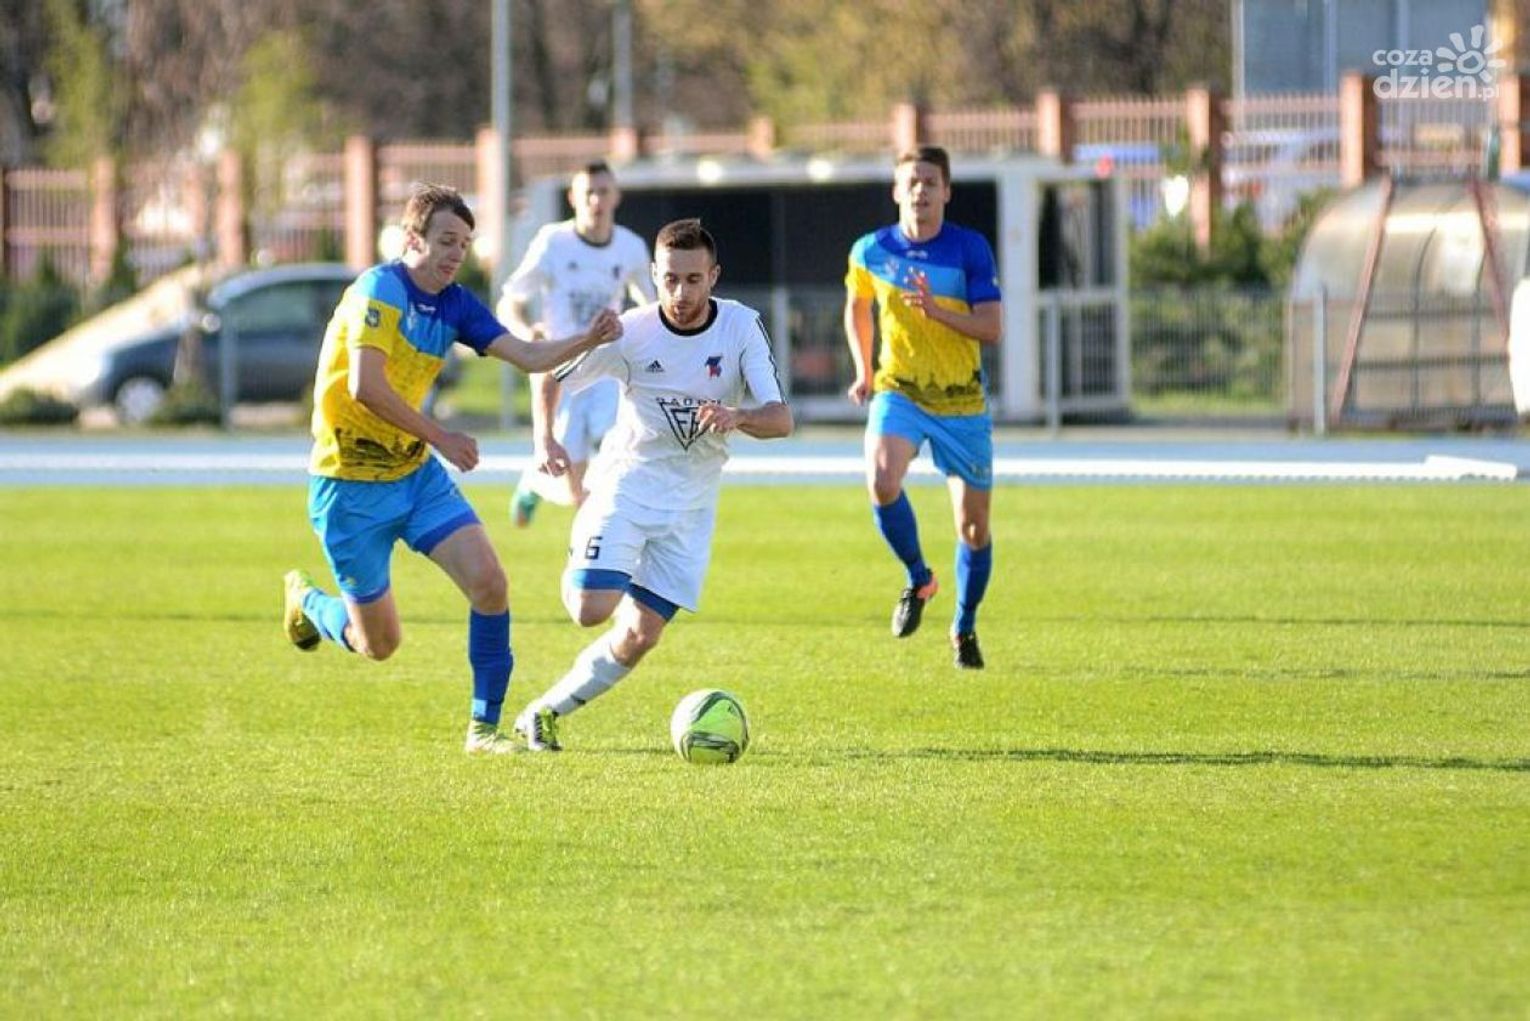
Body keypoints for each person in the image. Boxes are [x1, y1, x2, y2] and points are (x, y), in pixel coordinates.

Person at [281, 183, 623, 756]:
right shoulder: (379, 290)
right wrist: (441, 437)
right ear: (412, 239)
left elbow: (528, 356)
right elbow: (366, 386)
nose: (455, 254)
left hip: (415, 479)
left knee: (490, 584)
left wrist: (589, 337)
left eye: (464, 244)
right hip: (348, 489)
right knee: (379, 644)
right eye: (445, 240)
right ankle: (310, 604)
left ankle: (483, 730)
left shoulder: (457, 304)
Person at [510, 217, 792, 751]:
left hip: (691, 508)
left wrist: (737, 416)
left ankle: (542, 713)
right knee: (590, 609)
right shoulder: (631, 332)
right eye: (669, 279)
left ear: (713, 277)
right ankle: (591, 546)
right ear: (655, 276)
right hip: (627, 489)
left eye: (693, 279)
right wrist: (544, 439)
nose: (680, 293)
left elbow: (781, 419)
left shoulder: (741, 327)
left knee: (641, 635)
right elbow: (549, 372)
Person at [843, 146, 1003, 670]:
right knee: (881, 479)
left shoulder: (969, 249)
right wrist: (864, 371)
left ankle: (964, 626)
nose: (920, 191)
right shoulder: (871, 250)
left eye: (930, 182)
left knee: (973, 529)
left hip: (962, 401)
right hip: (901, 391)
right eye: (911, 181)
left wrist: (936, 311)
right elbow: (857, 306)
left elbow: (992, 328)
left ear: (946, 192)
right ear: (896, 190)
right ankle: (919, 578)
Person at [499, 161, 655, 528]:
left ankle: (595, 536)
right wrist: (527, 332)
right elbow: (510, 300)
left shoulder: (631, 247)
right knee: (569, 468)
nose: (596, 201)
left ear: (616, 196)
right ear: (573, 198)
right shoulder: (553, 242)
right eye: (589, 193)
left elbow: (651, 308)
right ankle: (534, 483)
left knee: (615, 449)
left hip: (604, 365)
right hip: (560, 367)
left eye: (603, 192)